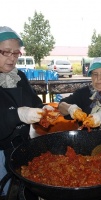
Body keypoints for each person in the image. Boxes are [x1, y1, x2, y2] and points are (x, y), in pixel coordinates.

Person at [0, 26, 53, 197]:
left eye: (16, 53)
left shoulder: (19, 76)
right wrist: (17, 115)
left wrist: (43, 109)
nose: (12, 58)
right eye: (6, 52)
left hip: (22, 146)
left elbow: (33, 101)